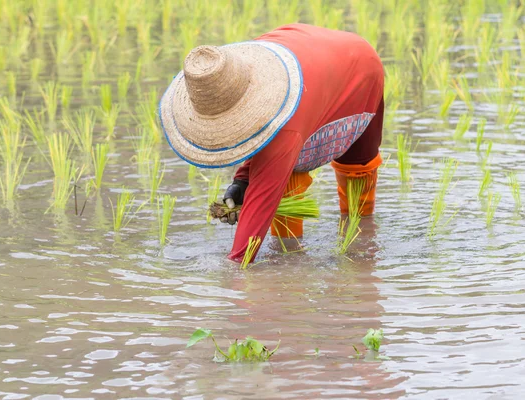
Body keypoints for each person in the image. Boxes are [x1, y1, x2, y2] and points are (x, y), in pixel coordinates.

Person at [159, 23, 384, 263]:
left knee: (357, 180)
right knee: (286, 223)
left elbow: (262, 202)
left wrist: (237, 265)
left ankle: (361, 250)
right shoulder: (233, 72)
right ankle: (290, 257)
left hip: (360, 68)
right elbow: (256, 128)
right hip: (312, 60)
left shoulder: (284, 122)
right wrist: (243, 179)